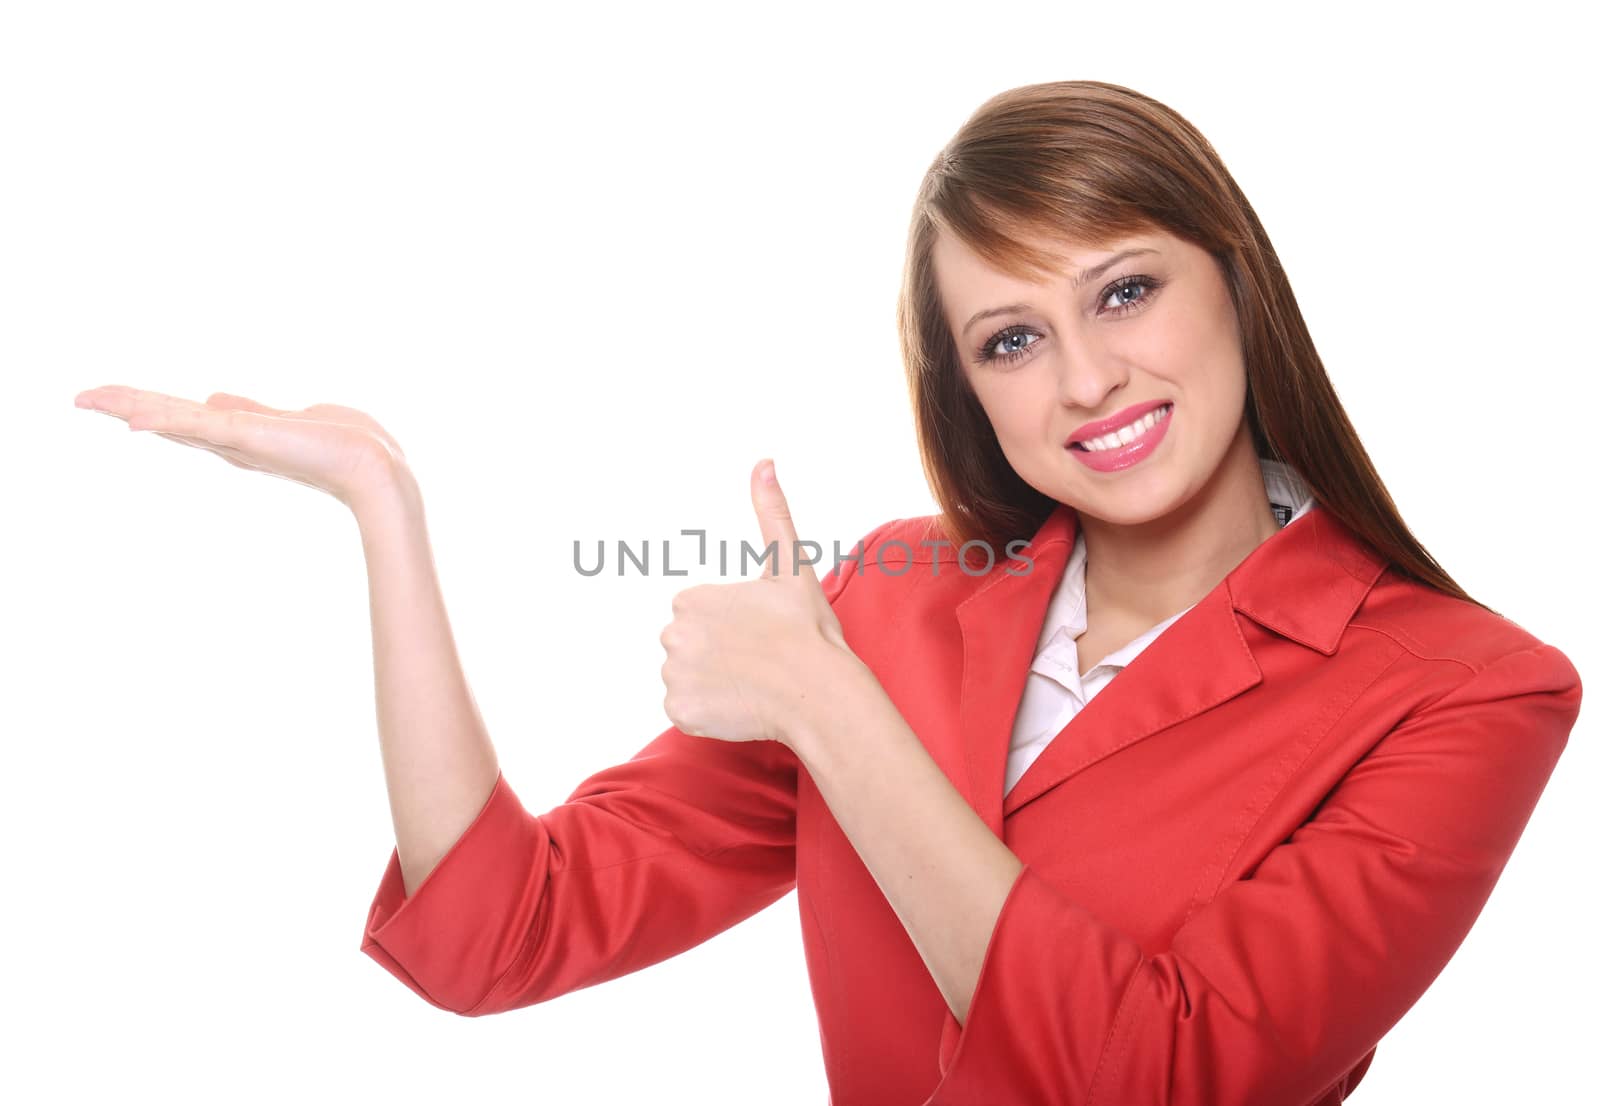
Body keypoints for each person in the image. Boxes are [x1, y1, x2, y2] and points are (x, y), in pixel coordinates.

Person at [72, 79, 1582, 1106]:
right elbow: (500, 931)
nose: (1087, 377)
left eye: (1125, 289)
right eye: (1009, 338)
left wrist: (826, 710)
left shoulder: (1469, 688)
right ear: (968, 387)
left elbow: (1160, 1076)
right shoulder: (896, 603)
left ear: (1235, 283)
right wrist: (385, 512)